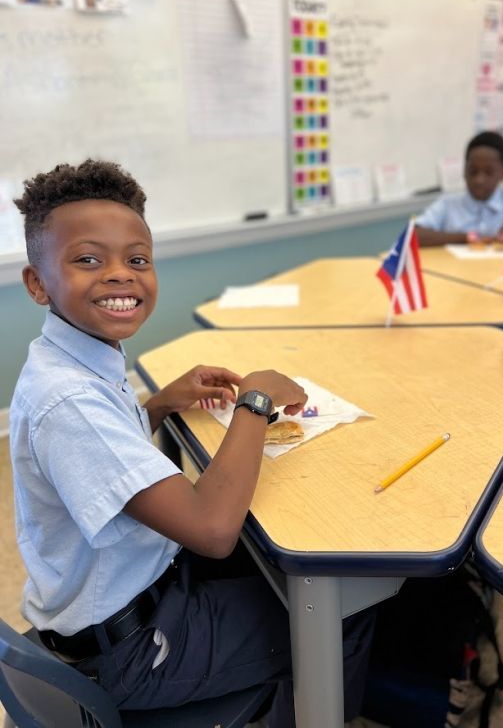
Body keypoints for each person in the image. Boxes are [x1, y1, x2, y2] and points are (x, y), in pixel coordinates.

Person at [9, 159, 375, 727]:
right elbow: (212, 530)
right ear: (37, 283)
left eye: (137, 259)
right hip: (132, 649)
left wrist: (157, 405)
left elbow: (101, 456)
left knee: (289, 567)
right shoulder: (69, 401)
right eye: (88, 259)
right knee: (339, 612)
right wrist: (254, 402)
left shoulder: (68, 361)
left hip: (125, 602)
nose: (119, 274)